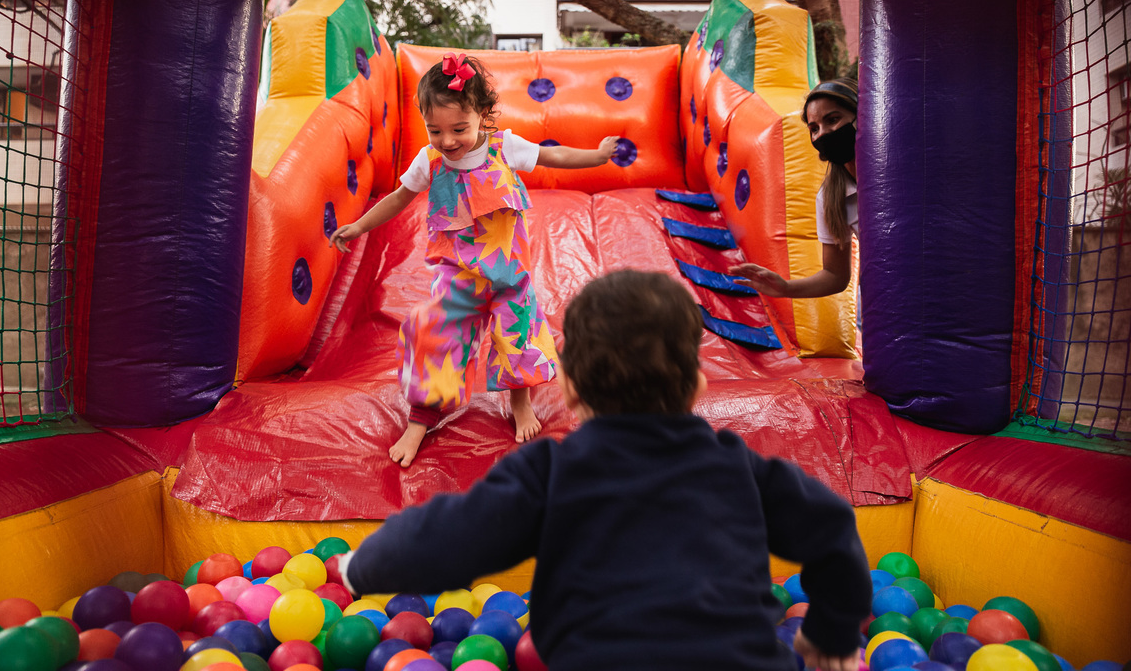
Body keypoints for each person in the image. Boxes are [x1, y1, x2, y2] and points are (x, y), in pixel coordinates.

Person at [336, 269, 872, 671]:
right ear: (698, 386)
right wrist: (832, 633)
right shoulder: (740, 468)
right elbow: (830, 527)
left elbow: (450, 536)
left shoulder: (552, 472)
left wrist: (364, 565)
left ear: (567, 387)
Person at [330, 53, 617, 467]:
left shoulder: (505, 148)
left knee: (517, 336)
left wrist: (596, 156)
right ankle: (421, 418)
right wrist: (359, 226)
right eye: (435, 130)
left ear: (483, 114)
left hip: (508, 273)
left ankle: (520, 402)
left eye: (458, 129)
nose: (447, 141)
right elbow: (398, 198)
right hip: (458, 273)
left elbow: (553, 157)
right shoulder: (429, 162)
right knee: (437, 336)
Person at [729, 78, 859, 298]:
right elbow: (835, 275)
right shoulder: (831, 197)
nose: (824, 133)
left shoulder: (902, 168)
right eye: (814, 128)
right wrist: (786, 288)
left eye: (833, 120)